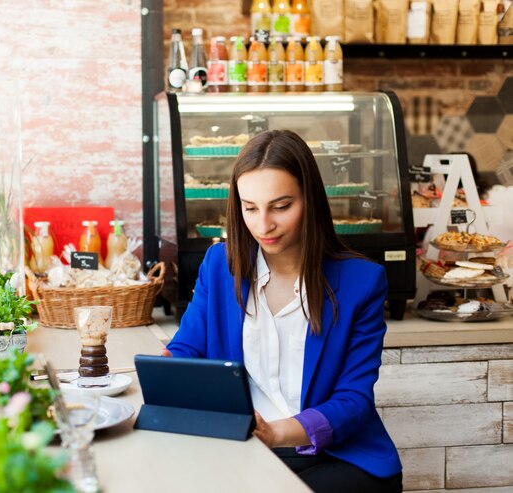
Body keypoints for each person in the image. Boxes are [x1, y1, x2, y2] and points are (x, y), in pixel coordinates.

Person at [164, 130, 403, 492]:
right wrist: (165, 370)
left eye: (280, 206)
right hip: (242, 447)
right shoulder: (219, 265)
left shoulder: (362, 282)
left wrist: (275, 433)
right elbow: (187, 349)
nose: (264, 226)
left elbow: (353, 400)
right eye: (250, 208)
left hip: (334, 453)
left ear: (310, 200)